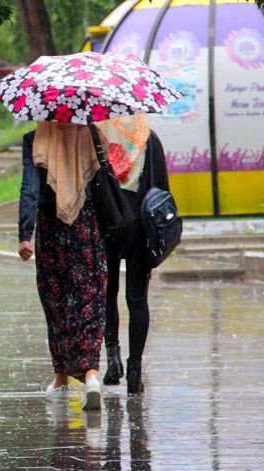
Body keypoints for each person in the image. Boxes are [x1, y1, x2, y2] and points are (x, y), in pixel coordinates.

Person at [18, 121, 107, 411]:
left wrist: (24, 234)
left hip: (50, 227)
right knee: (89, 298)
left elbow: (29, 188)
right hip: (87, 225)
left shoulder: (35, 139)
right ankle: (92, 375)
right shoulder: (92, 135)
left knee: (56, 302)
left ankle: (62, 381)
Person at [99, 115, 170, 394]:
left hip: (107, 226)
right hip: (141, 228)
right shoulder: (150, 140)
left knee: (107, 294)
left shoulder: (100, 139)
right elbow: (162, 191)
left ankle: (113, 358)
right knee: (137, 299)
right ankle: (135, 371)